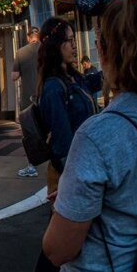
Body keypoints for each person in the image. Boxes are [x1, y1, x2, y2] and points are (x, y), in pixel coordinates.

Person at [42, 0, 137, 272]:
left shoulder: (96, 136)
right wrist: (83, 192)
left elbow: (58, 250)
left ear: (102, 50)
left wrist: (73, 201)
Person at [37, 17, 102, 198]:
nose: (74, 45)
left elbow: (95, 83)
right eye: (69, 40)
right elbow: (62, 144)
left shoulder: (75, 78)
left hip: (88, 167)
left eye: (74, 40)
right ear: (55, 45)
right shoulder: (53, 88)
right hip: (74, 176)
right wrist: (76, 180)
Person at [13, 26, 41, 178]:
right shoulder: (45, 49)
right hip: (45, 95)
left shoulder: (21, 52)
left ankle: (32, 166)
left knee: (29, 133)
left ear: (29, 37)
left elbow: (14, 76)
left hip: (28, 100)